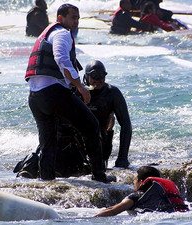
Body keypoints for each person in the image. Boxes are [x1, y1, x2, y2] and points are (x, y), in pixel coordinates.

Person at [25, 3, 114, 183]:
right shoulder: (62, 33)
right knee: (91, 126)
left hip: (35, 97)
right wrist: (80, 87)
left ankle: (47, 179)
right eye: (73, 17)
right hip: (53, 93)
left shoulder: (47, 34)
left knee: (48, 140)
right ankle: (99, 175)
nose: (76, 22)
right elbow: (62, 59)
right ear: (60, 19)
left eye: (78, 18)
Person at [82, 60, 132, 168]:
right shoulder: (79, 92)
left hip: (102, 142)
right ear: (86, 76)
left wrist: (122, 158)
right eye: (94, 75)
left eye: (102, 75)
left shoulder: (112, 93)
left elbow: (126, 124)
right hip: (80, 143)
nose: (98, 80)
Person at [94, 166, 188, 217]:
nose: (133, 182)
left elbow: (113, 210)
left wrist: (91, 219)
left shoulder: (138, 195)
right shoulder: (166, 194)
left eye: (135, 179)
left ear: (141, 182)